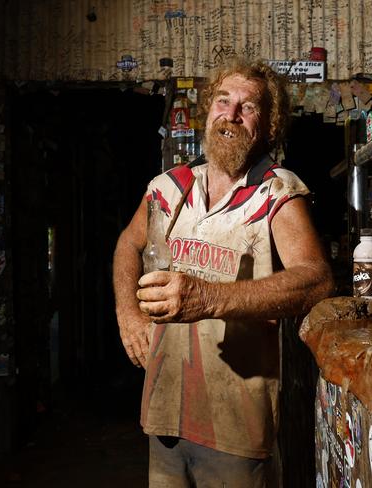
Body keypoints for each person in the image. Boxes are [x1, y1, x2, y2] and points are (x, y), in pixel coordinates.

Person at [112, 59, 334, 487]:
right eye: (222, 100)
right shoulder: (169, 186)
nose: (230, 115)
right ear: (206, 112)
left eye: (247, 107)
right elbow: (128, 243)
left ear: (267, 126)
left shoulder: (277, 191)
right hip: (165, 409)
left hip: (236, 421)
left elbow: (316, 278)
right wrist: (128, 314)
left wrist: (208, 298)